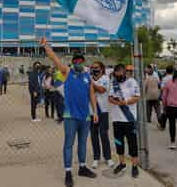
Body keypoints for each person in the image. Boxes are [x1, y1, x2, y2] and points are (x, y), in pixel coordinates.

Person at [40, 37, 98, 187]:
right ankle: (68, 172)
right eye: (76, 61)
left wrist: (95, 112)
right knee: (68, 144)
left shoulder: (87, 77)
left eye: (81, 61)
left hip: (85, 117)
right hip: (70, 116)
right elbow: (54, 58)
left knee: (83, 143)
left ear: (84, 62)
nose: (79, 63)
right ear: (73, 62)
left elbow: (91, 95)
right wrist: (46, 46)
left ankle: (83, 167)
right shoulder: (67, 72)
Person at [108, 64, 140, 178]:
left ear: (125, 72)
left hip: (129, 120)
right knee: (118, 143)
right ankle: (122, 164)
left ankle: (135, 166)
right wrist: (116, 102)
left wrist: (125, 102)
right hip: (116, 120)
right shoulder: (113, 83)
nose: (119, 75)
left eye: (121, 73)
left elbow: (137, 97)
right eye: (117, 73)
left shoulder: (132, 82)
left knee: (132, 144)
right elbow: (110, 97)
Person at [90, 61, 114, 169]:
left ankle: (108, 158)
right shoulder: (90, 79)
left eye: (97, 67)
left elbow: (101, 90)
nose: (94, 69)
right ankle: (96, 158)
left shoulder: (105, 79)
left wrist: (91, 83)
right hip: (91, 112)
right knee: (94, 135)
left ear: (102, 68)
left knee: (103, 134)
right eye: (93, 67)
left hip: (103, 111)